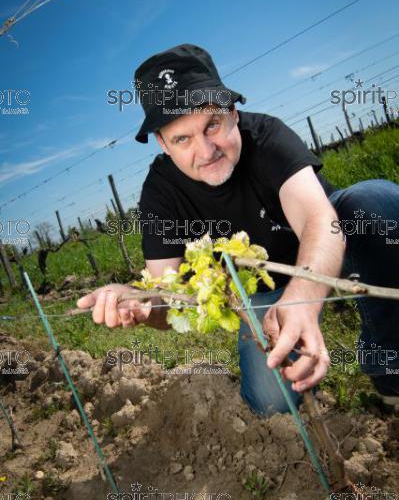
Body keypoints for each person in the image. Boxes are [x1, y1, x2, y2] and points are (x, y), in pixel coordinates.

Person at [77, 43, 399, 415]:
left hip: (329, 253)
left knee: (374, 205)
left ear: (232, 111)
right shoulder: (159, 195)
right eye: (182, 139)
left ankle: (390, 374)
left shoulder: (266, 136)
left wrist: (302, 298)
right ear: (163, 143)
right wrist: (142, 303)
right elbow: (169, 294)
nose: (206, 150)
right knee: (271, 402)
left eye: (212, 124)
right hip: (261, 291)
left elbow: (318, 220)